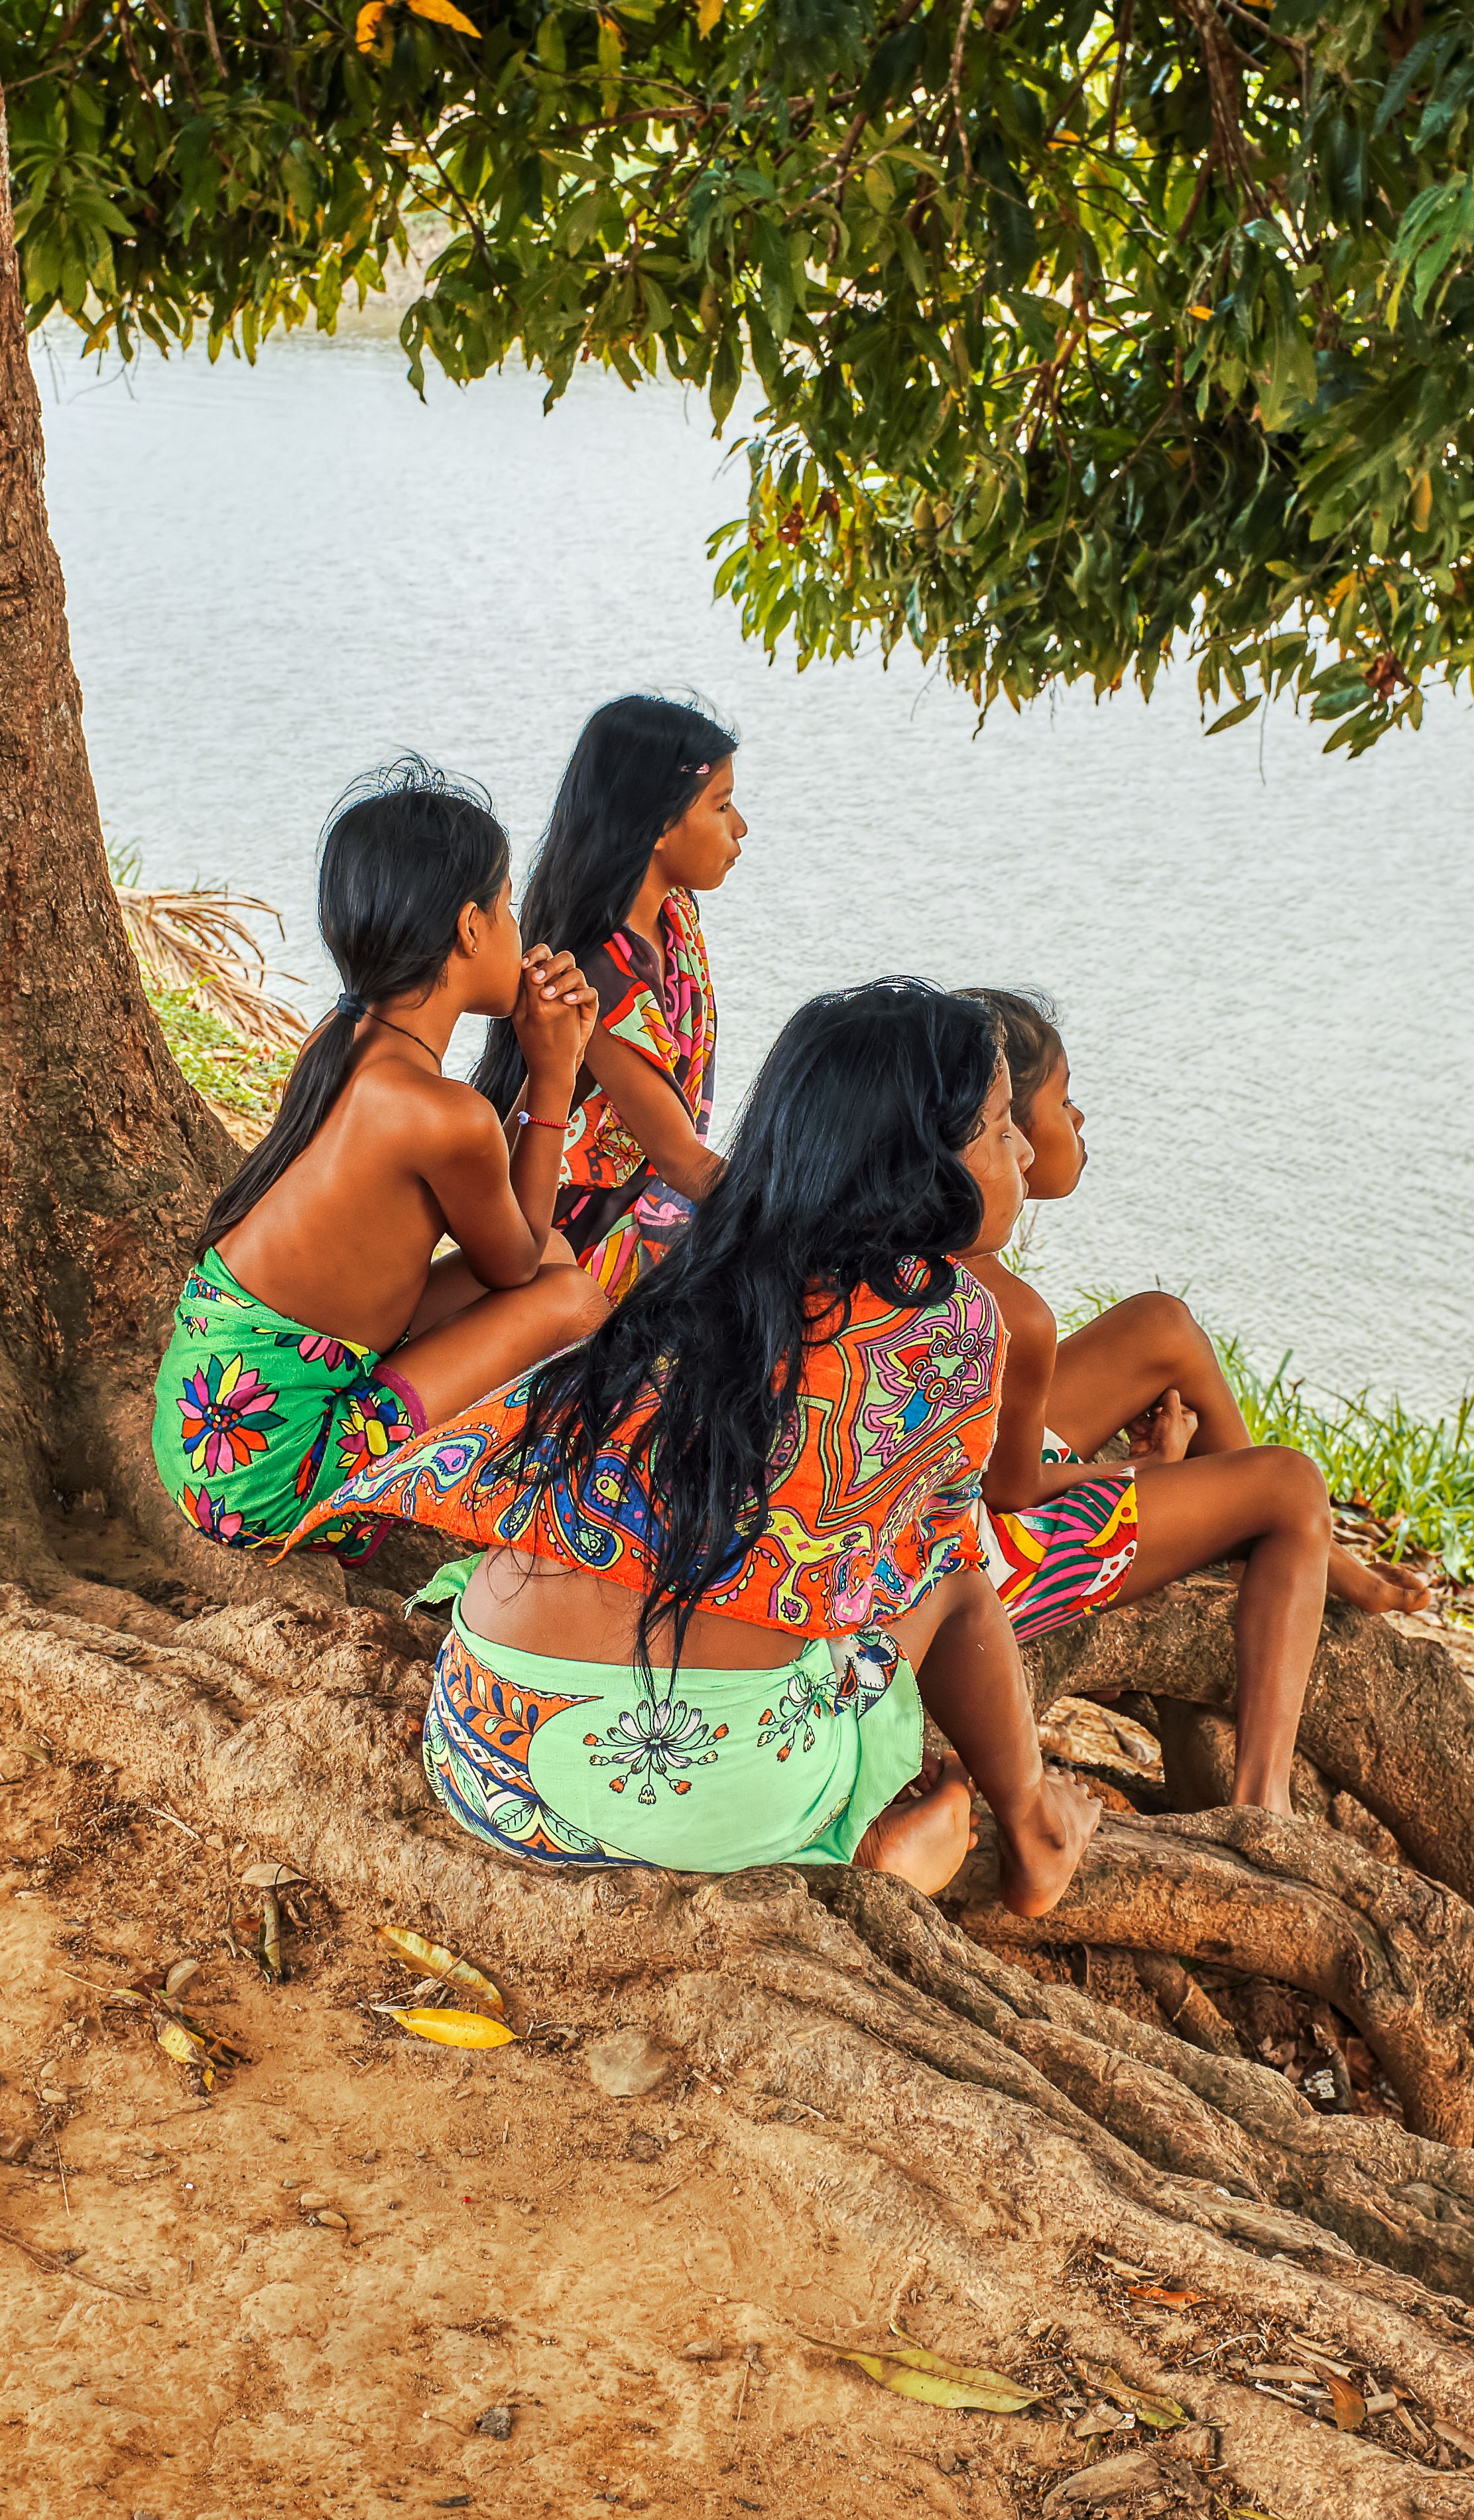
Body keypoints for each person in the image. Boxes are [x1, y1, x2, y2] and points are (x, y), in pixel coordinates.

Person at [282, 982, 1100, 1911]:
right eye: (998, 1128)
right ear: (922, 1164)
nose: (1024, 1150)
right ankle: (966, 1839)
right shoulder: (950, 1327)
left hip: (479, 1738)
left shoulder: (699, 1257)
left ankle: (847, 1817)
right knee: (957, 1594)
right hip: (651, 1784)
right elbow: (903, 1570)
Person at [953, 988, 1429, 1815]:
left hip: (957, 1498)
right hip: (987, 1565)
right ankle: (1262, 1800)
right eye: (1063, 1100)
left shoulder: (923, 1247)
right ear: (1013, 1135)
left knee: (1160, 1325)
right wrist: (1140, 1472)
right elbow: (1012, 1490)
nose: (1079, 1116)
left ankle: (1287, 1536)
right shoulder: (1011, 1312)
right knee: (1290, 1484)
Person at [151, 761, 608, 1562]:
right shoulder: (439, 1114)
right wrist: (554, 1078)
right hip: (264, 1476)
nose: (515, 927)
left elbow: (513, 1241)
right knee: (571, 1301)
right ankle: (589, 1524)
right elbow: (518, 1265)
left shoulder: (342, 1046)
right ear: (469, 928)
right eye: (507, 908)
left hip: (202, 1429)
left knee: (561, 1262)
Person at [475, 694, 743, 1300]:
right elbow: (682, 1161)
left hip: (667, 1207)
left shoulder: (676, 915)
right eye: (721, 806)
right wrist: (811, 1216)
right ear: (655, 826)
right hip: (593, 1243)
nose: (740, 827)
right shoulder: (601, 973)